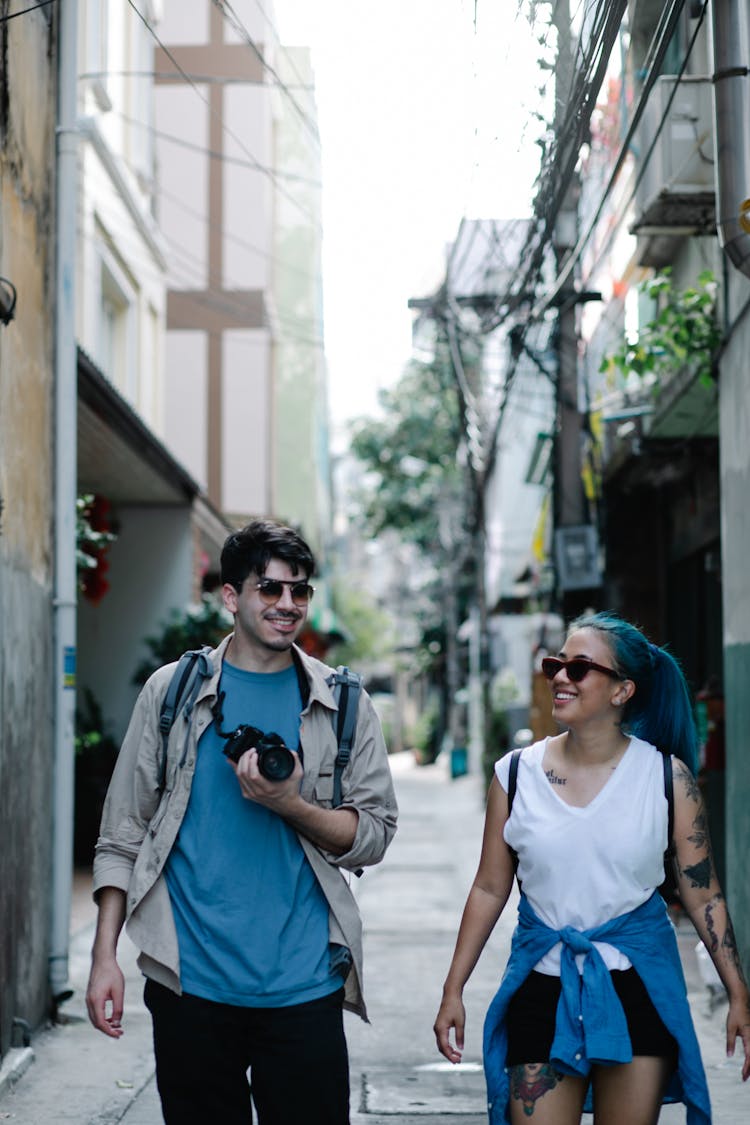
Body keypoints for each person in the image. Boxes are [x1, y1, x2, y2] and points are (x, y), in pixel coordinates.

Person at [86, 519, 398, 1125]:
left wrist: (290, 804)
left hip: (305, 987)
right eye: (270, 589)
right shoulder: (171, 693)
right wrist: (105, 959)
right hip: (191, 986)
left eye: (300, 591)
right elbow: (122, 835)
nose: (288, 605)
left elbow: (373, 837)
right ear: (232, 597)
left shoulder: (344, 703)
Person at [434, 611, 750, 1124]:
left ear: (622, 691)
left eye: (579, 668)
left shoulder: (667, 780)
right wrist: (453, 989)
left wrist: (737, 991)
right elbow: (490, 888)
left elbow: (703, 894)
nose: (560, 676)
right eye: (556, 664)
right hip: (541, 986)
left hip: (638, 986)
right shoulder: (515, 776)